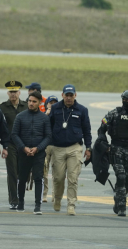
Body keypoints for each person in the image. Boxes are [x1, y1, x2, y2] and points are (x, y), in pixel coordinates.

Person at [98, 90, 128, 216]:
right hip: (116, 149)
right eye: (126, 100)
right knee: (121, 176)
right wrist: (104, 144)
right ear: (122, 100)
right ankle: (122, 207)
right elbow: (101, 129)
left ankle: (118, 198)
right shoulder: (113, 113)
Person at [49, 84, 92, 216]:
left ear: (75, 95)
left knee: (73, 178)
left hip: (75, 147)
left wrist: (89, 147)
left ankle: (71, 204)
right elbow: (48, 127)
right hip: (58, 148)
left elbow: (87, 130)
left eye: (71, 95)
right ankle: (57, 199)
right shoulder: (55, 108)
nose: (68, 98)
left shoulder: (82, 110)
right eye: (66, 95)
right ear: (62, 95)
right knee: (58, 177)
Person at [11, 91, 52, 214]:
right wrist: (23, 148)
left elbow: (48, 136)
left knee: (38, 178)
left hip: (38, 153)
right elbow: (14, 134)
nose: (31, 103)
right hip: (23, 153)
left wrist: (38, 148)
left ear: (39, 103)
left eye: (34, 101)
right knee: (22, 178)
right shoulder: (20, 116)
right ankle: (21, 203)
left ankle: (37, 205)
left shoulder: (44, 118)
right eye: (29, 101)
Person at [0, 81, 27, 210]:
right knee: (12, 173)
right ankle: (14, 200)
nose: (13, 94)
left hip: (25, 144)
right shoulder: (2, 108)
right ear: (7, 93)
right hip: (10, 144)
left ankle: (21, 197)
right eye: (11, 92)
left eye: (15, 92)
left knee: (23, 173)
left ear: (19, 92)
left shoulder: (26, 106)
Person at [43, 95, 59, 202]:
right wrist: (47, 114)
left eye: (55, 103)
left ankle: (55, 195)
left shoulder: (60, 115)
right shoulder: (43, 115)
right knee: (44, 171)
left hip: (57, 146)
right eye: (51, 103)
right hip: (45, 146)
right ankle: (44, 194)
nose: (53, 105)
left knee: (57, 172)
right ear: (46, 104)